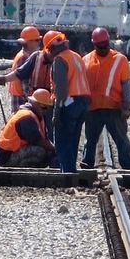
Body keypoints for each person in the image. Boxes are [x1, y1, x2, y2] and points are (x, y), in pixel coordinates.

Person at [81, 28, 130, 170]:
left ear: (109, 42)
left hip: (114, 109)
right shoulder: (86, 60)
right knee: (90, 141)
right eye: (100, 46)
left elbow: (126, 85)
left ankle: (129, 168)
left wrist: (126, 106)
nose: (104, 48)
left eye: (105, 45)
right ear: (94, 45)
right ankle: (86, 166)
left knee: (122, 141)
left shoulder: (120, 59)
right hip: (93, 109)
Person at [44, 30, 90, 172]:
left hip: (69, 103)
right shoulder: (76, 56)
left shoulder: (59, 60)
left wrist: (56, 113)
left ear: (50, 48)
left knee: (62, 142)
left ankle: (68, 174)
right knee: (73, 140)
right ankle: (71, 171)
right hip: (84, 102)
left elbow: (61, 90)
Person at [0, 88, 56, 168]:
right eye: (44, 108)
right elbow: (38, 141)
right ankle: (25, 174)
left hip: (11, 152)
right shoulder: (26, 118)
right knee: (39, 152)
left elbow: (45, 139)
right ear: (36, 104)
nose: (46, 111)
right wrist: (56, 149)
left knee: (47, 152)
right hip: (5, 157)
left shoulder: (36, 116)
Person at [0, 26, 43, 114]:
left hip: (17, 96)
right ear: (28, 42)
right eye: (37, 40)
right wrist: (31, 100)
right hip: (22, 98)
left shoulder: (21, 55)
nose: (39, 43)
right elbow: (24, 82)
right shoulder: (25, 58)